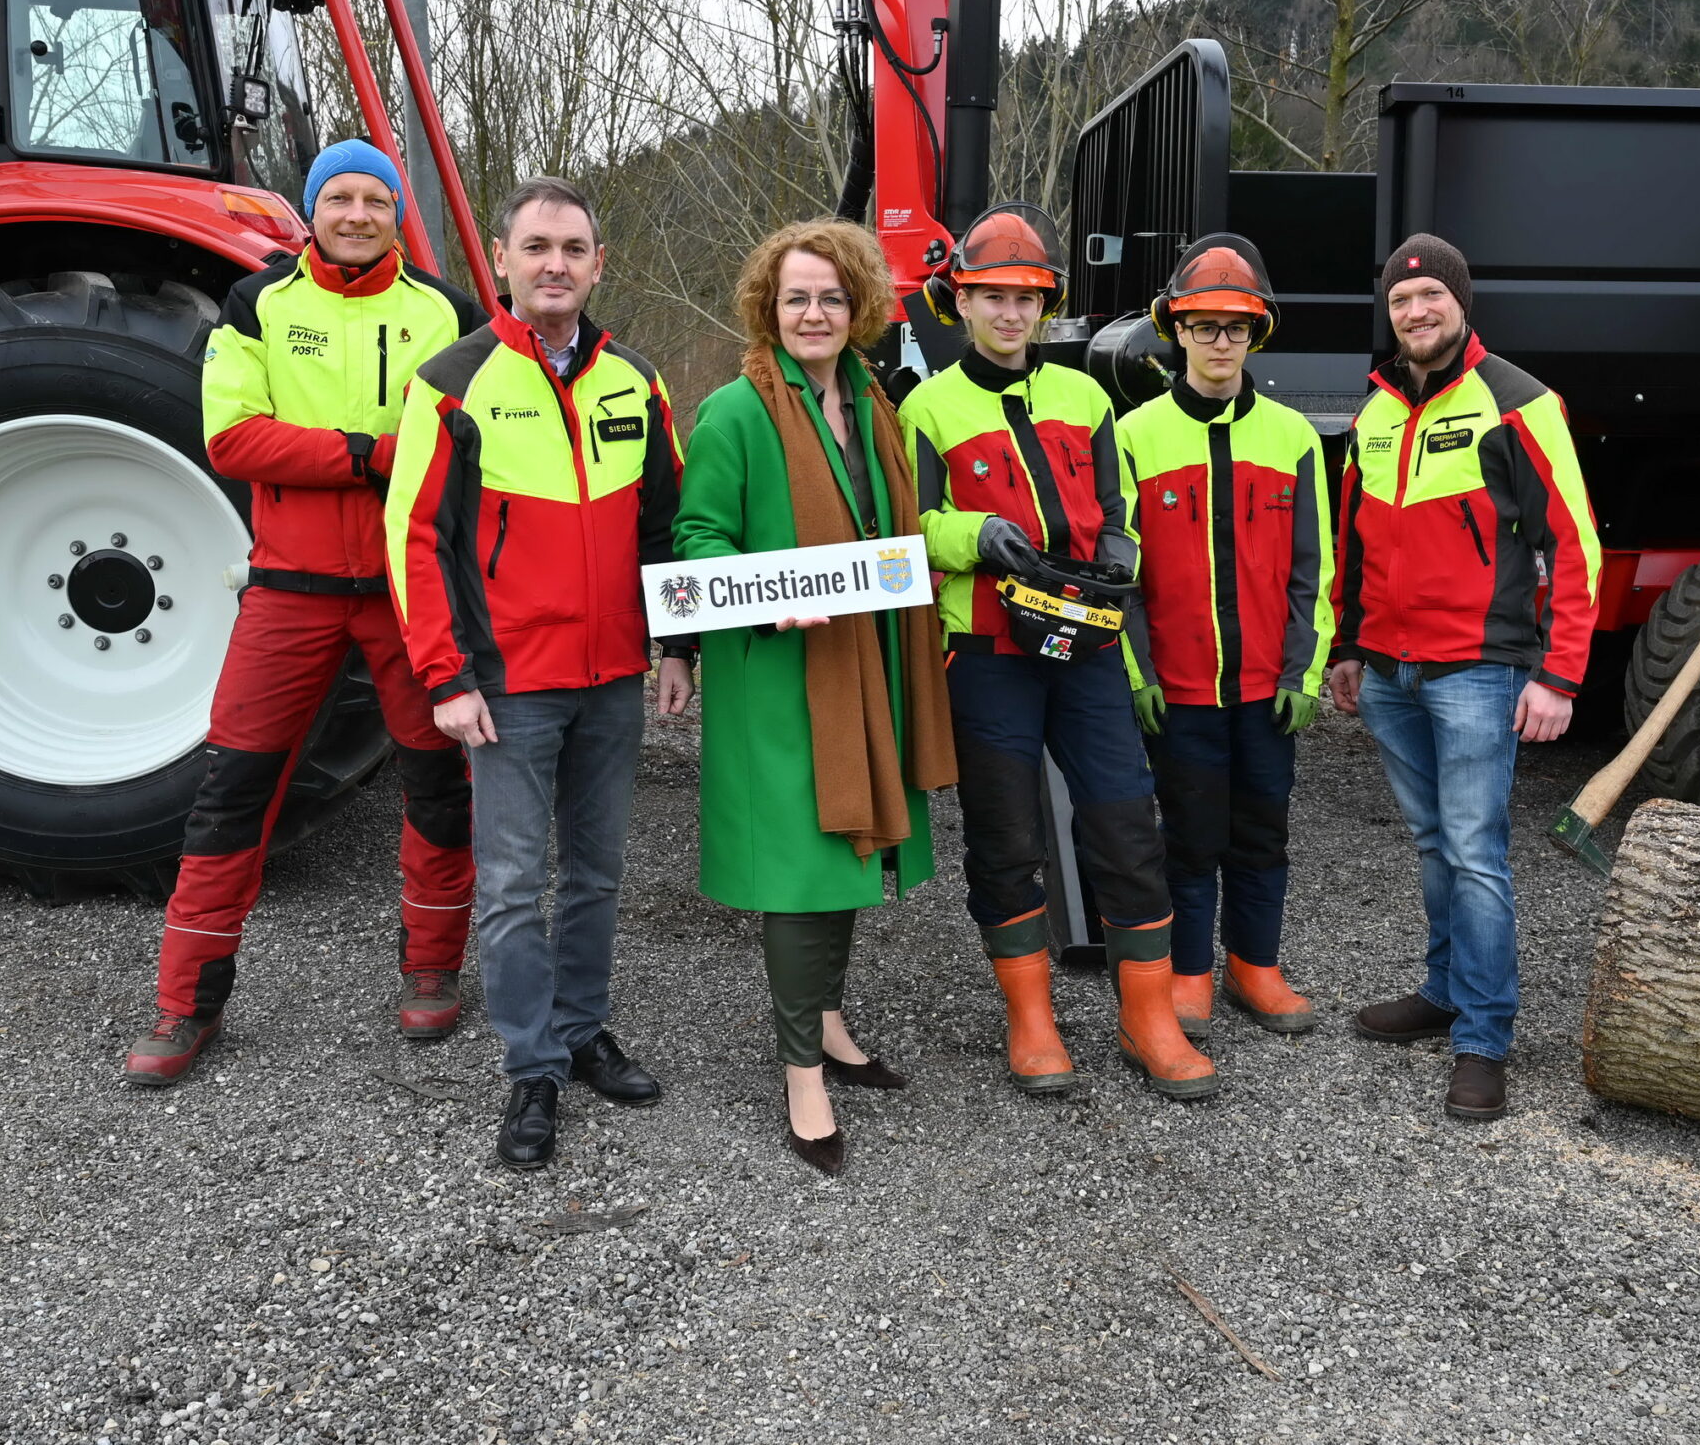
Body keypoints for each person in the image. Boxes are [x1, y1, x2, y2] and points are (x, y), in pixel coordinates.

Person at [123, 139, 483, 1088]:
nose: (359, 213)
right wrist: (370, 451)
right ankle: (184, 998)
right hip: (292, 586)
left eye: (376, 198)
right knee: (233, 786)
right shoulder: (260, 304)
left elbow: (470, 437)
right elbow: (234, 435)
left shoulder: (446, 311)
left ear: (398, 212)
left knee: (439, 782)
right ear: (314, 211)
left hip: (414, 592)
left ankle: (434, 963)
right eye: (341, 198)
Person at [386, 176, 694, 1171]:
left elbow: (665, 527)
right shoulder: (450, 379)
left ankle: (582, 1027)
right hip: (505, 683)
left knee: (597, 873)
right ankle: (531, 1064)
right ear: (504, 261)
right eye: (536, 246)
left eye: (573, 247)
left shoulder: (636, 381)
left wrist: (675, 645)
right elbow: (414, 536)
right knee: (515, 882)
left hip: (611, 678)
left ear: (599, 264)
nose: (554, 262)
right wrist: (444, 675)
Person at [898, 203, 1220, 1101]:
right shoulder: (925, 406)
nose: (1010, 314)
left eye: (1027, 299)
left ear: (1048, 306)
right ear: (959, 302)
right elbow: (910, 526)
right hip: (989, 648)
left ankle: (1147, 1014)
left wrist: (1122, 551)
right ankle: (1031, 1016)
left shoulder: (1085, 395)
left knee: (1125, 820)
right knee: (1008, 837)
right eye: (993, 297)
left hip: (1084, 641)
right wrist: (972, 534)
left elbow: (1120, 511)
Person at [673, 219, 958, 1177]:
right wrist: (771, 590)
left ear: (860, 310)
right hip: (781, 675)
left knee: (848, 852)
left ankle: (830, 1022)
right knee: (801, 874)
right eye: (796, 296)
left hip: (864, 664)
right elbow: (698, 539)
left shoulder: (874, 404)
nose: (813, 312)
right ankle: (802, 1074)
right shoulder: (733, 413)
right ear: (768, 305)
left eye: (831, 297)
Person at [1328, 233, 1600, 1122]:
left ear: (1460, 303)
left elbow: (1576, 542)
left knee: (1476, 853)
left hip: (1478, 668)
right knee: (1433, 842)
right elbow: (1354, 543)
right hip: (1391, 671)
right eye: (1401, 301)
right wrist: (1346, 647)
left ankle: (1483, 1038)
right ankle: (1444, 990)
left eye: (1431, 298)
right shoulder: (1372, 411)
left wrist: (1558, 674)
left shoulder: (1518, 401)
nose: (1415, 312)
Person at [1116, 236, 1333, 1045]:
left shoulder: (1294, 437)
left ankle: (1256, 966)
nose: (1218, 342)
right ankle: (1188, 976)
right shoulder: (1135, 435)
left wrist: (1304, 669)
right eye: (1203, 325)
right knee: (1189, 838)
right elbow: (1121, 574)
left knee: (1261, 832)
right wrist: (1136, 669)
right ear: (1176, 329)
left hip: (1265, 689)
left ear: (1257, 334)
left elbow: (1317, 566)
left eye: (1235, 328)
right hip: (1179, 690)